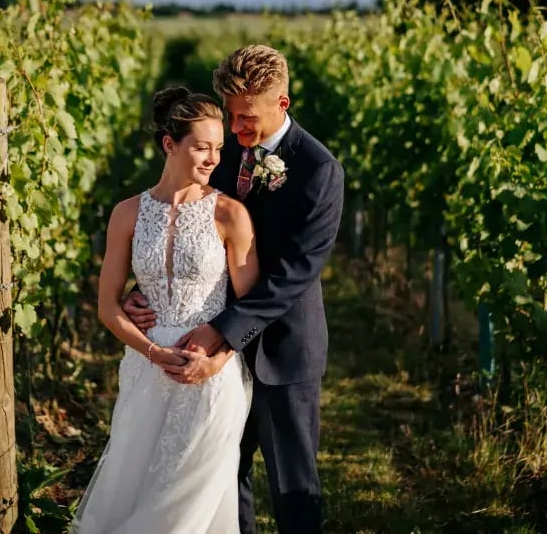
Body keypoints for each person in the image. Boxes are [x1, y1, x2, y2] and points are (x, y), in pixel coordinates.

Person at [125, 44, 345, 534]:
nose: (236, 128)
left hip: (283, 351)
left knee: (293, 486)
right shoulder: (221, 154)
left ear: (281, 104)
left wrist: (222, 332)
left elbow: (294, 274)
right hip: (212, 349)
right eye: (230, 114)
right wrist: (148, 290)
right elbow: (187, 222)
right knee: (223, 475)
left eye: (246, 117)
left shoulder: (319, 170)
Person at [70, 87, 259, 534]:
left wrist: (216, 360)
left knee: (183, 508)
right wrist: (152, 352)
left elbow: (250, 308)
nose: (213, 158)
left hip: (211, 378)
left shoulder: (230, 215)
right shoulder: (127, 213)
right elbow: (107, 306)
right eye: (202, 147)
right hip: (143, 373)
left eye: (218, 147)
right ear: (169, 145)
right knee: (136, 488)